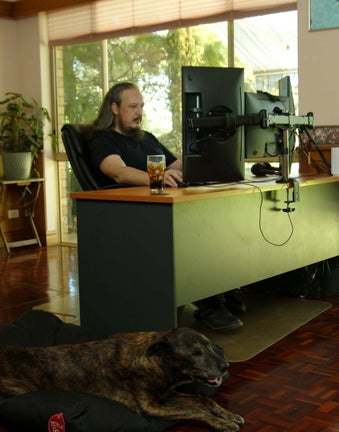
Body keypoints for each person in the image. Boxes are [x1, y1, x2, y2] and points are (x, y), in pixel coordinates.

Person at [88, 82, 244, 331]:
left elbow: (176, 164)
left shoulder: (147, 138)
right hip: (131, 216)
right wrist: (157, 177)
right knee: (193, 236)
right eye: (132, 106)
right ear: (114, 108)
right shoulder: (104, 141)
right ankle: (211, 303)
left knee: (214, 223)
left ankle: (220, 290)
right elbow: (118, 172)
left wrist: (207, 162)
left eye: (141, 106)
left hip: (161, 208)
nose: (139, 111)